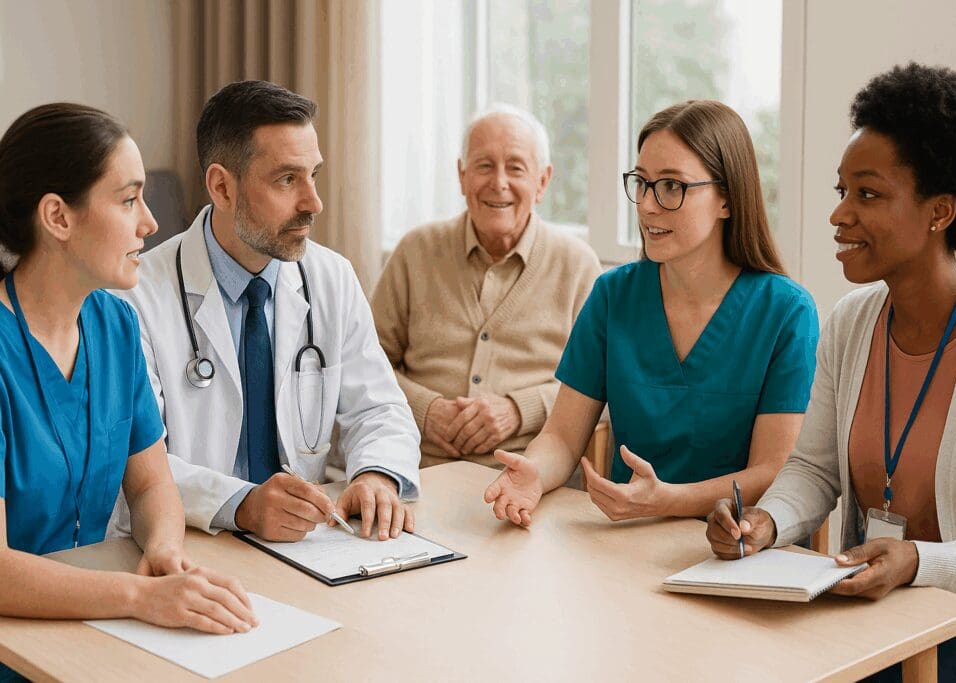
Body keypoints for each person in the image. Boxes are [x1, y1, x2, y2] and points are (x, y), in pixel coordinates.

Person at [706, 63, 956, 681]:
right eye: (841, 191)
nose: (839, 215)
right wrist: (764, 523)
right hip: (861, 608)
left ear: (939, 211)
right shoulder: (851, 322)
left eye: (867, 194)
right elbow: (813, 469)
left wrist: (917, 561)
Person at [113, 80, 421, 543]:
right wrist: (241, 504)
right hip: (191, 540)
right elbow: (135, 465)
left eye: (313, 175)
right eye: (286, 180)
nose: (313, 203)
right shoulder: (134, 299)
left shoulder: (331, 277)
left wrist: (376, 474)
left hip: (306, 543)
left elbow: (380, 408)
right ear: (222, 186)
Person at [0, 103, 257, 658]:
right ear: (58, 217)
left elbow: (149, 484)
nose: (150, 222)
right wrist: (141, 597)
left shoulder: (115, 325)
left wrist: (164, 552)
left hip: (95, 630)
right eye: (127, 199)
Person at [485, 100, 818, 526]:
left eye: (672, 186)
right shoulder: (613, 296)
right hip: (626, 540)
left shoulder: (786, 313)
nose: (647, 205)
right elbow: (563, 437)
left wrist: (667, 501)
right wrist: (535, 472)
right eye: (641, 183)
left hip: (738, 552)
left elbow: (772, 474)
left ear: (727, 200)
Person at [372, 105, 602, 468]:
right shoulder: (415, 252)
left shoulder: (578, 266)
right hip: (417, 470)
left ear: (542, 181)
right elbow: (366, 362)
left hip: (531, 479)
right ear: (462, 176)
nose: (499, 183)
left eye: (515, 167)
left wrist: (518, 409)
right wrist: (425, 409)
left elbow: (605, 390)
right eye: (483, 166)